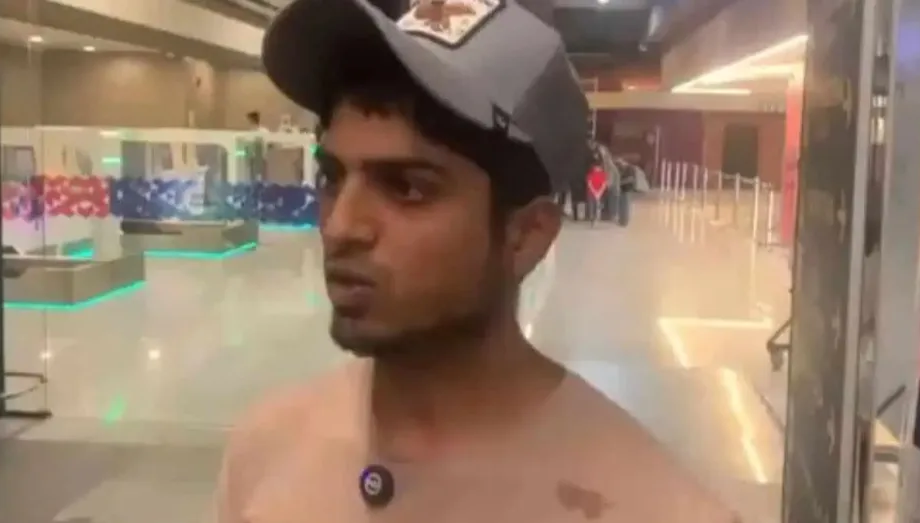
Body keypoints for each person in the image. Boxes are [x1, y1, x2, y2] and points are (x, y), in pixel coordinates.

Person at [216, 0, 739, 522]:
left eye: (407, 188)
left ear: (525, 235)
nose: (340, 226)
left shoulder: (655, 507)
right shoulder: (266, 449)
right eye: (332, 178)